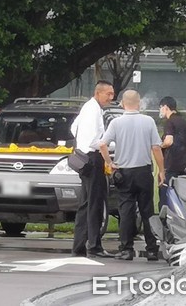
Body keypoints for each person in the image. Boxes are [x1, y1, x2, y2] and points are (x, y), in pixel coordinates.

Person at [98, 90, 165, 261]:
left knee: (126, 211)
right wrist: (162, 171)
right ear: (139, 103)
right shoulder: (148, 121)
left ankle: (126, 249)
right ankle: (151, 249)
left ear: (122, 103)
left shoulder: (116, 123)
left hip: (124, 172)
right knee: (147, 211)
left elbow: (103, 145)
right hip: (144, 171)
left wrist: (109, 162)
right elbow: (156, 148)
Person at [70, 80, 115, 258]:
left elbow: (74, 128)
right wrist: (108, 158)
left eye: (112, 94)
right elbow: (96, 142)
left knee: (86, 204)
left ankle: (79, 245)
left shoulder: (88, 107)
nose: (111, 98)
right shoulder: (94, 110)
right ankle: (94, 245)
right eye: (108, 94)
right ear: (98, 93)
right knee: (95, 204)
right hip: (92, 158)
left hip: (83, 157)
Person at [158, 96, 186, 209]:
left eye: (160, 108)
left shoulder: (170, 122)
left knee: (165, 194)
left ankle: (164, 219)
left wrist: (159, 145)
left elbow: (169, 141)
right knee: (180, 196)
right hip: (184, 165)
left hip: (170, 165)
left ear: (165, 107)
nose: (160, 110)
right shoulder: (185, 121)